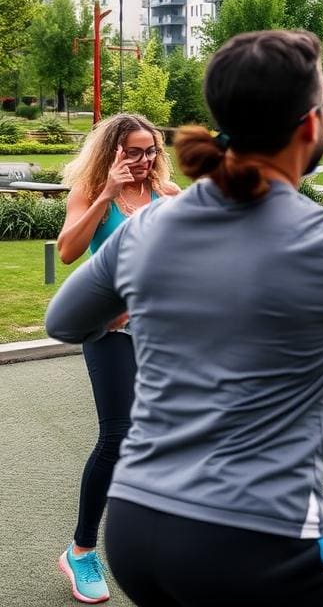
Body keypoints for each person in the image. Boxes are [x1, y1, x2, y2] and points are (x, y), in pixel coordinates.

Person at [45, 30, 323, 606]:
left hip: (137, 536)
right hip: (259, 542)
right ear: (311, 127)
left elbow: (63, 322)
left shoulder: (148, 226)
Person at [55, 113, 179, 604]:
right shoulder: (90, 195)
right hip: (109, 333)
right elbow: (67, 252)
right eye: (132, 151)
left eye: (150, 150)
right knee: (117, 436)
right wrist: (106, 194)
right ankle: (81, 550)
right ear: (112, 153)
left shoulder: (168, 197)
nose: (144, 160)